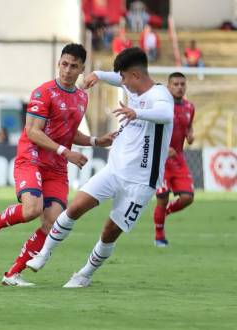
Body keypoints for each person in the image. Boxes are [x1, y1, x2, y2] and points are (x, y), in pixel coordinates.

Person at [26, 47, 174, 288]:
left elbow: (166, 114)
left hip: (141, 182)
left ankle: (84, 274)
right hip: (114, 170)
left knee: (109, 231)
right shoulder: (133, 84)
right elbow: (118, 78)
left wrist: (136, 112)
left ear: (135, 75)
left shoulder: (161, 95)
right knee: (75, 207)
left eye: (125, 78)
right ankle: (43, 254)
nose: (123, 84)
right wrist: (98, 74)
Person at [0, 43, 116, 286]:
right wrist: (66, 152)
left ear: (82, 69)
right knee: (32, 210)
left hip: (57, 168)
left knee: (53, 222)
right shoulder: (43, 92)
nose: (67, 70)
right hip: (32, 158)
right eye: (64, 64)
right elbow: (33, 131)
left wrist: (94, 141)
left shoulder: (81, 97)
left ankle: (12, 274)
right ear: (58, 64)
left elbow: (68, 133)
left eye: (74, 66)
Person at [153, 72, 195, 247]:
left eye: (182, 84)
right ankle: (159, 237)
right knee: (162, 196)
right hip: (161, 160)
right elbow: (151, 131)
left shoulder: (190, 107)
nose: (179, 87)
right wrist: (163, 148)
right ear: (168, 87)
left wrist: (190, 135)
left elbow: (189, 127)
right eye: (175, 84)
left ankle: (165, 212)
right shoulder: (161, 107)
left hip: (178, 160)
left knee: (187, 197)